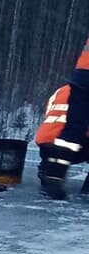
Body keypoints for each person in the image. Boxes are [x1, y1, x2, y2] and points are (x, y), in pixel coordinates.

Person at [34, 33, 89, 199]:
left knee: (72, 132)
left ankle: (50, 176)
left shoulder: (63, 90)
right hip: (81, 147)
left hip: (46, 144)